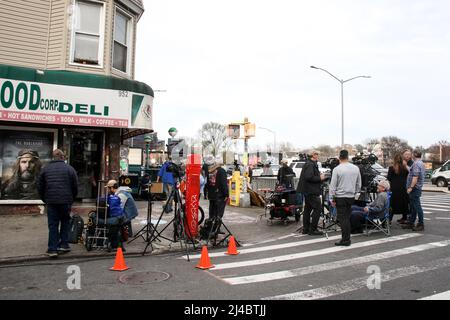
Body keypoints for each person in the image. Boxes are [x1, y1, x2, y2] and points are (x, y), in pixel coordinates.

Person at [37, 149, 78, 258]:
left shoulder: (45, 169)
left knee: (53, 225)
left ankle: (52, 249)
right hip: (65, 201)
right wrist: (71, 199)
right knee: (65, 222)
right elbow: (75, 187)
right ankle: (64, 245)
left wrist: (45, 199)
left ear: (53, 157)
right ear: (62, 157)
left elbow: (40, 187)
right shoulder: (70, 169)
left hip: (51, 201)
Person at [329, 150, 362, 246]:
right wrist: (355, 192)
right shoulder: (355, 168)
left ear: (339, 158)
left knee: (343, 219)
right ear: (348, 157)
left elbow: (333, 185)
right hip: (350, 196)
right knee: (346, 217)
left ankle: (346, 239)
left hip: (341, 197)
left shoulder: (337, 169)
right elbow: (359, 183)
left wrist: (331, 198)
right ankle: (346, 238)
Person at [297, 151, 326, 235]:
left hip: (308, 190)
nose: (318, 156)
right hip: (310, 191)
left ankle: (306, 229)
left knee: (307, 209)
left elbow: (309, 176)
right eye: (317, 154)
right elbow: (308, 177)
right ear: (314, 155)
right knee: (318, 208)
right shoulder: (310, 164)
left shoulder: (309, 163)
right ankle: (313, 229)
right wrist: (320, 178)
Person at [402, 150, 426, 232]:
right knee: (413, 206)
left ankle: (421, 224)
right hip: (417, 188)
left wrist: (410, 187)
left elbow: (415, 177)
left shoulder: (416, 164)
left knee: (417, 206)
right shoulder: (421, 163)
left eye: (411, 154)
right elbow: (413, 173)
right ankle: (411, 222)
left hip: (415, 189)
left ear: (414, 155)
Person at [387, 153, 409, 223]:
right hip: (403, 187)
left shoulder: (391, 168)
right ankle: (404, 217)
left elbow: (389, 178)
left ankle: (389, 219)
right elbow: (408, 176)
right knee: (404, 202)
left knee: (392, 203)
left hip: (394, 187)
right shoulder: (405, 168)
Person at [206, 156, 229, 221]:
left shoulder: (210, 171)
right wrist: (226, 194)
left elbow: (207, 182)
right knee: (218, 213)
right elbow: (223, 184)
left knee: (212, 211)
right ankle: (216, 228)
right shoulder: (221, 171)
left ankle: (210, 226)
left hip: (211, 194)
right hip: (219, 195)